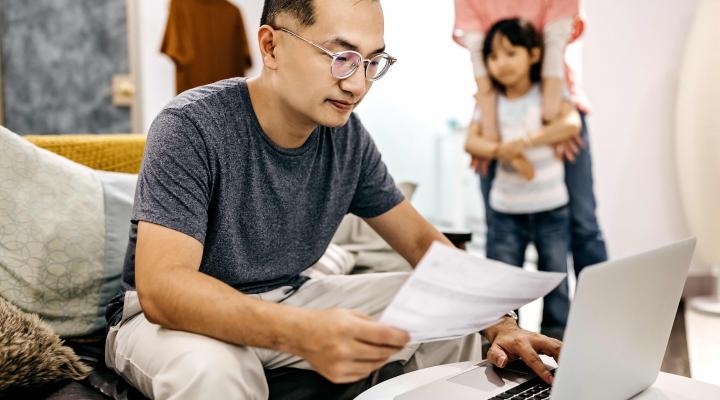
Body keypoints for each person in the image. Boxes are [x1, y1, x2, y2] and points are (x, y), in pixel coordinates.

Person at [104, 1, 562, 398]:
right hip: (166, 323)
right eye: (341, 57)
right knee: (212, 369)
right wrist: (302, 333)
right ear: (270, 46)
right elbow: (162, 288)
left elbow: (424, 246)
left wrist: (499, 321)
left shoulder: (346, 140)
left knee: (449, 308)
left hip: (288, 295)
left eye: (371, 62)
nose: (358, 85)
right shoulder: (191, 126)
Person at [453, 0, 608, 280]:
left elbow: (554, 46)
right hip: (495, 114)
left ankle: (600, 315)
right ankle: (502, 321)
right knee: (499, 228)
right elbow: (480, 60)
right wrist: (494, 136)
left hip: (555, 103)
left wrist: (548, 121)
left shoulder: (553, 107)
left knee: (583, 223)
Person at [465, 18, 581, 339]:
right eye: (493, 56)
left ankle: (558, 340)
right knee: (502, 284)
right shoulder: (489, 103)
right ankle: (506, 340)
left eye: (509, 53)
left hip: (551, 208)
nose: (500, 64)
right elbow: (471, 142)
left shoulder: (547, 94)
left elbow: (571, 124)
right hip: (506, 211)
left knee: (556, 279)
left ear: (532, 54)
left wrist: (527, 142)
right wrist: (506, 151)